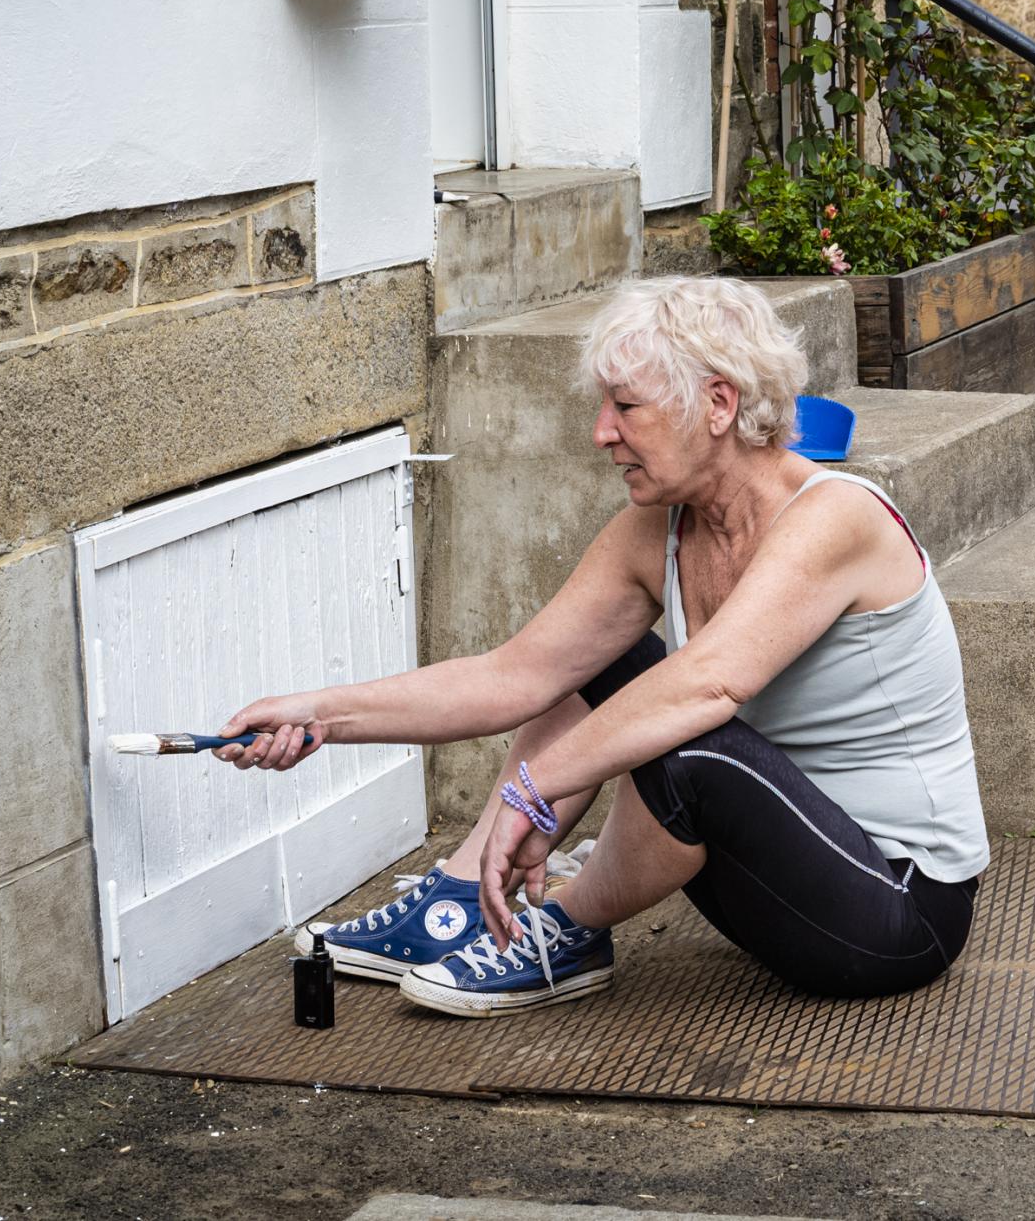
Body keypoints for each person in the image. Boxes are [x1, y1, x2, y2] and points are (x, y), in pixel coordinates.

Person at [214, 276, 987, 1017]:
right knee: (608, 666)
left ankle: (560, 930)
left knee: (690, 738)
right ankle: (463, 901)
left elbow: (708, 684)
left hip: (898, 910)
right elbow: (514, 676)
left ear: (717, 404)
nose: (601, 431)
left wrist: (536, 788)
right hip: (773, 879)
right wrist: (321, 714)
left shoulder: (835, 517)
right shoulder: (660, 532)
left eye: (625, 406)